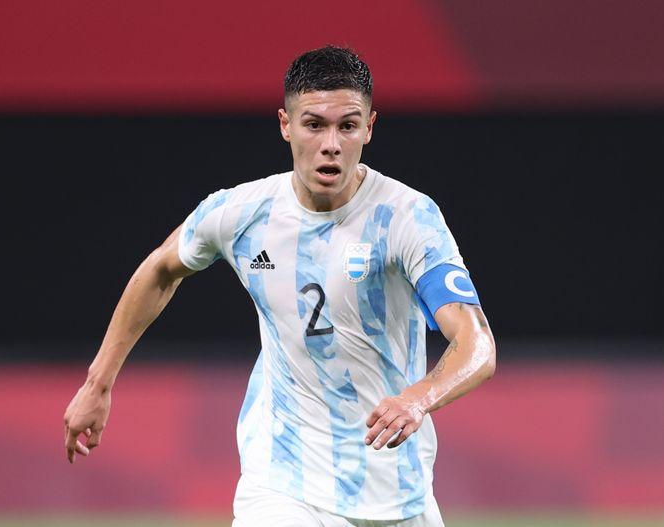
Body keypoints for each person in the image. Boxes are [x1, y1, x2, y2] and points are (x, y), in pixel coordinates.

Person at [64, 45, 496, 526]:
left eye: (347, 126)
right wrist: (97, 383)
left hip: (397, 491)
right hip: (283, 484)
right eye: (314, 125)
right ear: (285, 125)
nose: (331, 144)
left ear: (370, 127)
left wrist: (417, 398)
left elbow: (476, 343)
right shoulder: (243, 213)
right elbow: (161, 269)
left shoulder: (407, 218)